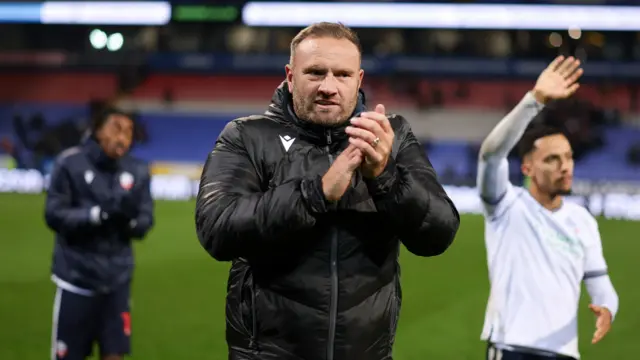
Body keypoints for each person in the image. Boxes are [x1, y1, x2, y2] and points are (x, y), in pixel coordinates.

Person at [195, 22, 460, 360]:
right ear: (291, 76)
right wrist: (316, 194)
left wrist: (385, 177)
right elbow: (217, 230)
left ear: (359, 80)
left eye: (342, 75)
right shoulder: (247, 137)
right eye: (315, 73)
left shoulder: (391, 137)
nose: (329, 87)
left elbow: (438, 235)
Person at [477, 56, 619, 360]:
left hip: (565, 353)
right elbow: (491, 155)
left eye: (568, 157)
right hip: (511, 347)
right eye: (552, 159)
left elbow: (602, 285)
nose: (565, 166)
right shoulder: (506, 206)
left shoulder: (583, 220)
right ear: (527, 167)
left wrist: (608, 308)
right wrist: (535, 99)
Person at [45, 108, 154, 360]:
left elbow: (146, 221)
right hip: (76, 280)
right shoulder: (69, 163)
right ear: (97, 130)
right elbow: (53, 214)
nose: (123, 137)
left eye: (128, 131)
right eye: (116, 128)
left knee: (114, 356)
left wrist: (129, 222)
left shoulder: (137, 170)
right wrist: (97, 215)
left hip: (117, 283)